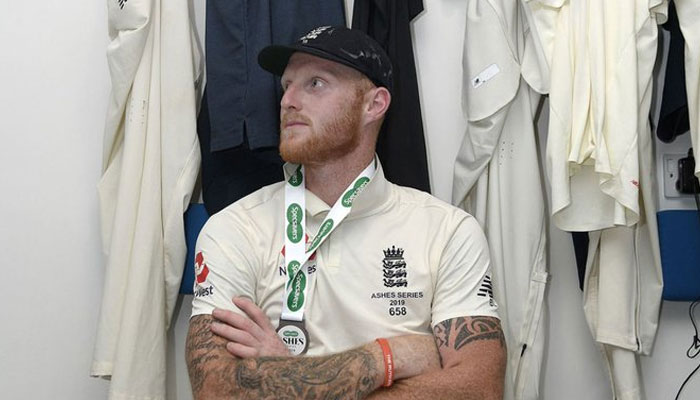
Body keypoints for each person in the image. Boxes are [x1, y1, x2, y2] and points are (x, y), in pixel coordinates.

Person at [185, 25, 506, 399]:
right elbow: (216, 390)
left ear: (374, 104)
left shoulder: (448, 231)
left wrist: (286, 374)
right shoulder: (233, 228)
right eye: (286, 85)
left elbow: (479, 389)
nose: (288, 101)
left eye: (315, 83)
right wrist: (387, 357)